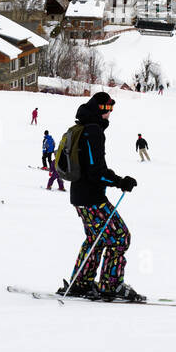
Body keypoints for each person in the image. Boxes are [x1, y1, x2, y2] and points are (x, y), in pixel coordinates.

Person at [59, 93, 138, 302]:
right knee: (121, 236)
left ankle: (81, 282)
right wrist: (120, 181)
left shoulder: (84, 128)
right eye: (107, 109)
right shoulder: (93, 131)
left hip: (79, 196)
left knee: (96, 238)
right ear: (100, 109)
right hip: (92, 198)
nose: (110, 114)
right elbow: (96, 171)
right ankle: (111, 285)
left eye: (111, 110)